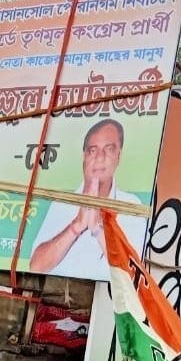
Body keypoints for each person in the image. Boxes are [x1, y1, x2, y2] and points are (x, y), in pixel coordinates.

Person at [28, 119, 145, 278]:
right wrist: (76, 225)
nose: (99, 157)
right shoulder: (62, 203)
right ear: (84, 157)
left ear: (118, 156)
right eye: (92, 150)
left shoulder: (132, 205)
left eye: (109, 149)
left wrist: (98, 229)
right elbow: (36, 266)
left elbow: (132, 274)